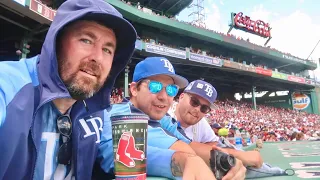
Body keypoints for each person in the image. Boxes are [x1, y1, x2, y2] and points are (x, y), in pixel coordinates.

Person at [0, 0, 137, 179]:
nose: (97, 57)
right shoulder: (8, 86)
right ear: (56, 42)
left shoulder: (95, 113)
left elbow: (120, 153)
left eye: (107, 50)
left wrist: (179, 160)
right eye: (86, 40)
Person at [98, 57, 246, 179]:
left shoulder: (161, 118)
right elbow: (114, 155)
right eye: (154, 87)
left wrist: (231, 158)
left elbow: (189, 145)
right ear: (134, 89)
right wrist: (185, 160)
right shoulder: (118, 115)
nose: (164, 97)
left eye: (170, 89)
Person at [161, 80, 289, 179]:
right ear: (181, 97)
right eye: (194, 102)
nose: (197, 110)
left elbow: (213, 144)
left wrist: (230, 154)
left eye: (204, 108)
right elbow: (182, 146)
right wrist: (239, 155)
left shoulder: (200, 121)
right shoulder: (164, 114)